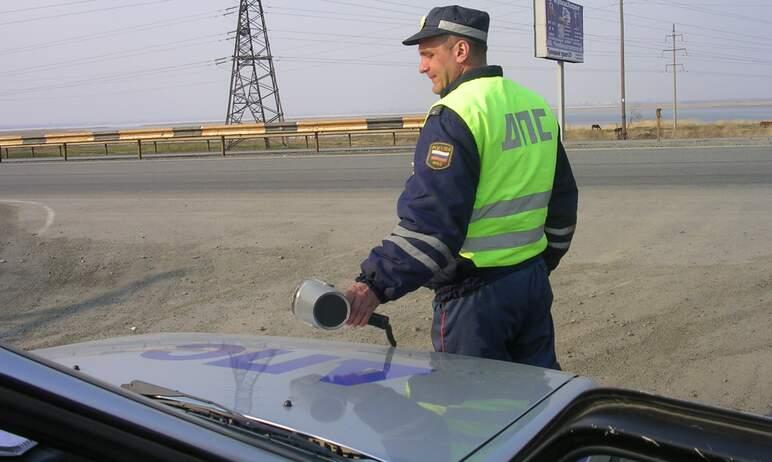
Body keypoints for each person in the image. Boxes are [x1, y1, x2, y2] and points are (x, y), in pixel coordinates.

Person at [344, 5, 578, 369]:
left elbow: (432, 226)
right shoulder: (535, 106)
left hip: (476, 298)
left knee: (467, 412)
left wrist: (372, 286)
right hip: (530, 281)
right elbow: (562, 201)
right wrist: (540, 263)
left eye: (428, 55)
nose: (423, 67)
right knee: (537, 400)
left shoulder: (456, 114)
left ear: (461, 51)